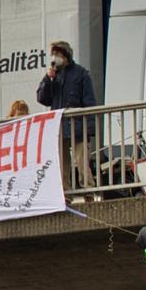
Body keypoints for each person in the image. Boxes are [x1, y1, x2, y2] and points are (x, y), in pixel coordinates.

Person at [36, 40, 98, 196]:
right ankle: (66, 194)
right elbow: (43, 99)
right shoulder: (54, 75)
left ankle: (88, 191)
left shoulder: (81, 73)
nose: (55, 58)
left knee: (82, 160)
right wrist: (47, 80)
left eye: (57, 54)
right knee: (62, 163)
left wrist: (89, 128)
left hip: (78, 125)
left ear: (66, 55)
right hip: (59, 126)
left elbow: (89, 102)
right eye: (53, 55)